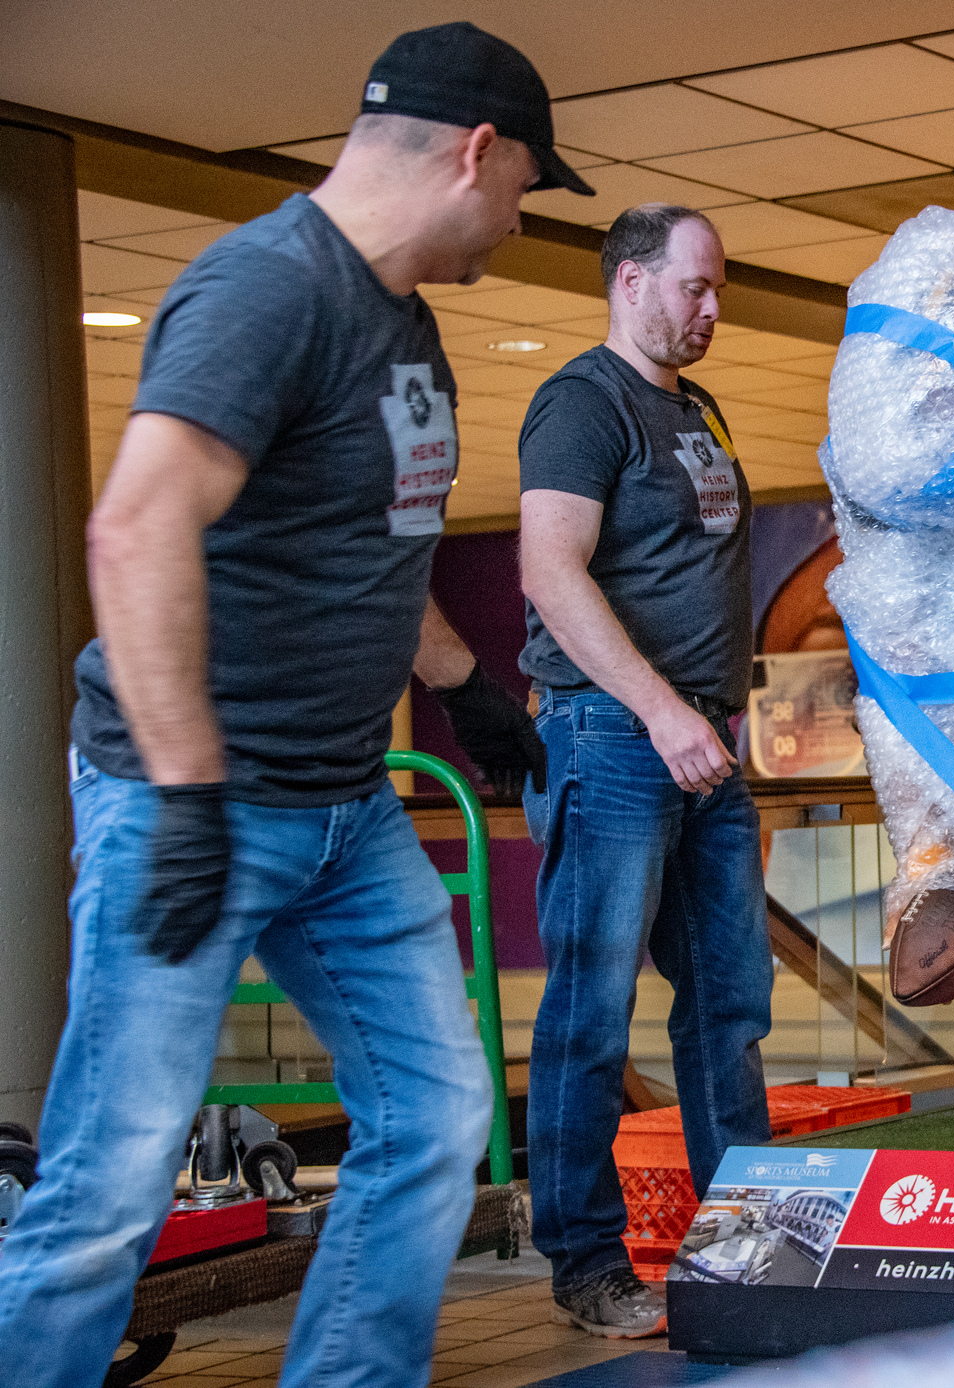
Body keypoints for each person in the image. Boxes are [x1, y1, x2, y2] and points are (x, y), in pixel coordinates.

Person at [0, 23, 576, 1386]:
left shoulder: (406, 321)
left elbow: (366, 541)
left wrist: (464, 688)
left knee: (436, 1123)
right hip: (188, 801)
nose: (515, 219)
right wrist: (192, 795)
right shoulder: (266, 288)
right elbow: (137, 532)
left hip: (343, 810)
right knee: (112, 1177)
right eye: (523, 187)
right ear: (475, 152)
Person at [518, 203, 772, 1338]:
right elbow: (549, 571)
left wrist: (706, 715)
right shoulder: (583, 402)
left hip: (700, 743)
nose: (711, 309)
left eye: (716, 290)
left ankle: (744, 1245)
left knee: (728, 1002)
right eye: (695, 287)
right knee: (593, 1011)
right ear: (628, 281)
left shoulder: (694, 405)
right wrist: (663, 708)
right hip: (613, 736)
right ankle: (584, 1259)